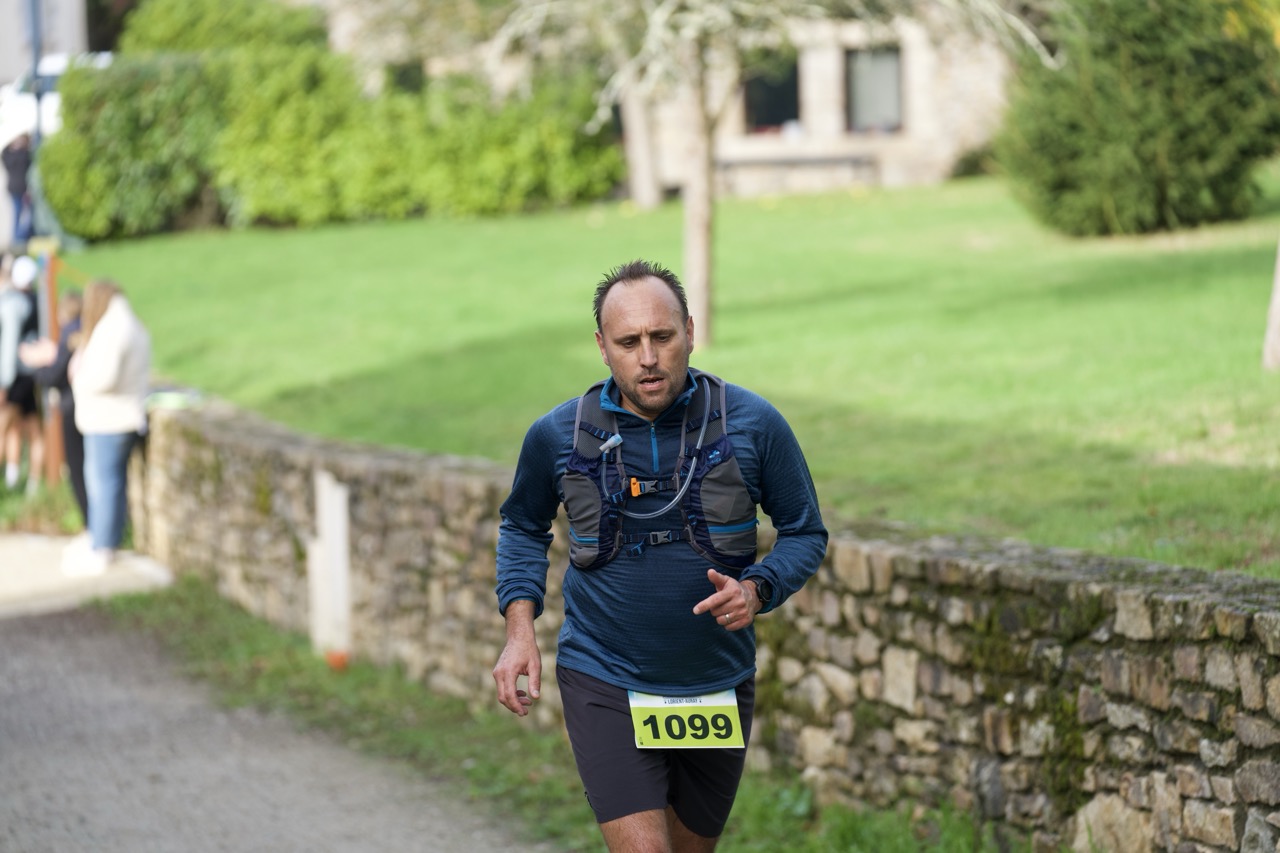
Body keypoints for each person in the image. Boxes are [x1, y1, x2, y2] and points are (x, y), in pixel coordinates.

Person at [492, 259, 828, 851]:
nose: (648, 357)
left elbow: (805, 531)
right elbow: (522, 526)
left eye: (662, 336)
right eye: (628, 342)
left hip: (715, 680)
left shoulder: (753, 424)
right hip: (604, 675)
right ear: (602, 347)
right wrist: (519, 631)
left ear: (690, 332)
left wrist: (757, 589)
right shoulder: (558, 435)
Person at [66, 279, 150, 577]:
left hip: (111, 420)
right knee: (108, 483)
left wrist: (79, 377)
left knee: (105, 485)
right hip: (115, 418)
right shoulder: (126, 324)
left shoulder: (114, 328)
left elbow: (105, 377)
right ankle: (103, 539)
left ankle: (103, 546)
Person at [20, 287, 88, 526]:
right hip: (83, 406)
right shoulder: (82, 329)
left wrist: (37, 365)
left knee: (77, 468)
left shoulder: (70, 333)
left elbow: (56, 374)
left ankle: (90, 525)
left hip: (72, 406)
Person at [0, 253, 42, 493]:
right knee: (28, 427)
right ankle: (25, 482)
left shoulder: (13, 304)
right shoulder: (36, 300)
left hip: (15, 376)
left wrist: (4, 383)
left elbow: (9, 345)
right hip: (30, 373)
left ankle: (14, 480)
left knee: (4, 426)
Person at [2, 134, 33, 248]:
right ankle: (16, 238)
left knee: (23, 213)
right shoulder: (11, 156)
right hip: (15, 189)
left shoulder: (24, 154)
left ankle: (18, 238)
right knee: (18, 212)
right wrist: (11, 144)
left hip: (22, 189)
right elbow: (4, 153)